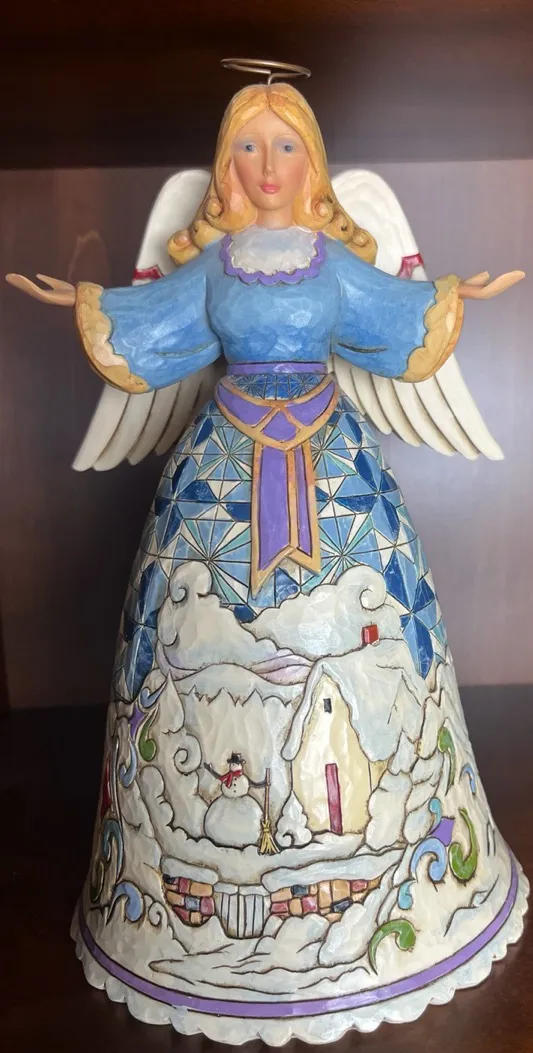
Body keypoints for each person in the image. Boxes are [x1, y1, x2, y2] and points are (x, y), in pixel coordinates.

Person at [6, 81, 528, 1044]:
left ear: (311, 164)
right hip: (220, 469)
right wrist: (85, 303)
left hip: (334, 463)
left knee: (361, 627)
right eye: (249, 149)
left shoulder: (329, 259)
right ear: (226, 166)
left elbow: (396, 317)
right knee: (194, 635)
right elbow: (152, 330)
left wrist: (455, 297)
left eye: (284, 148)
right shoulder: (213, 267)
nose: (266, 167)